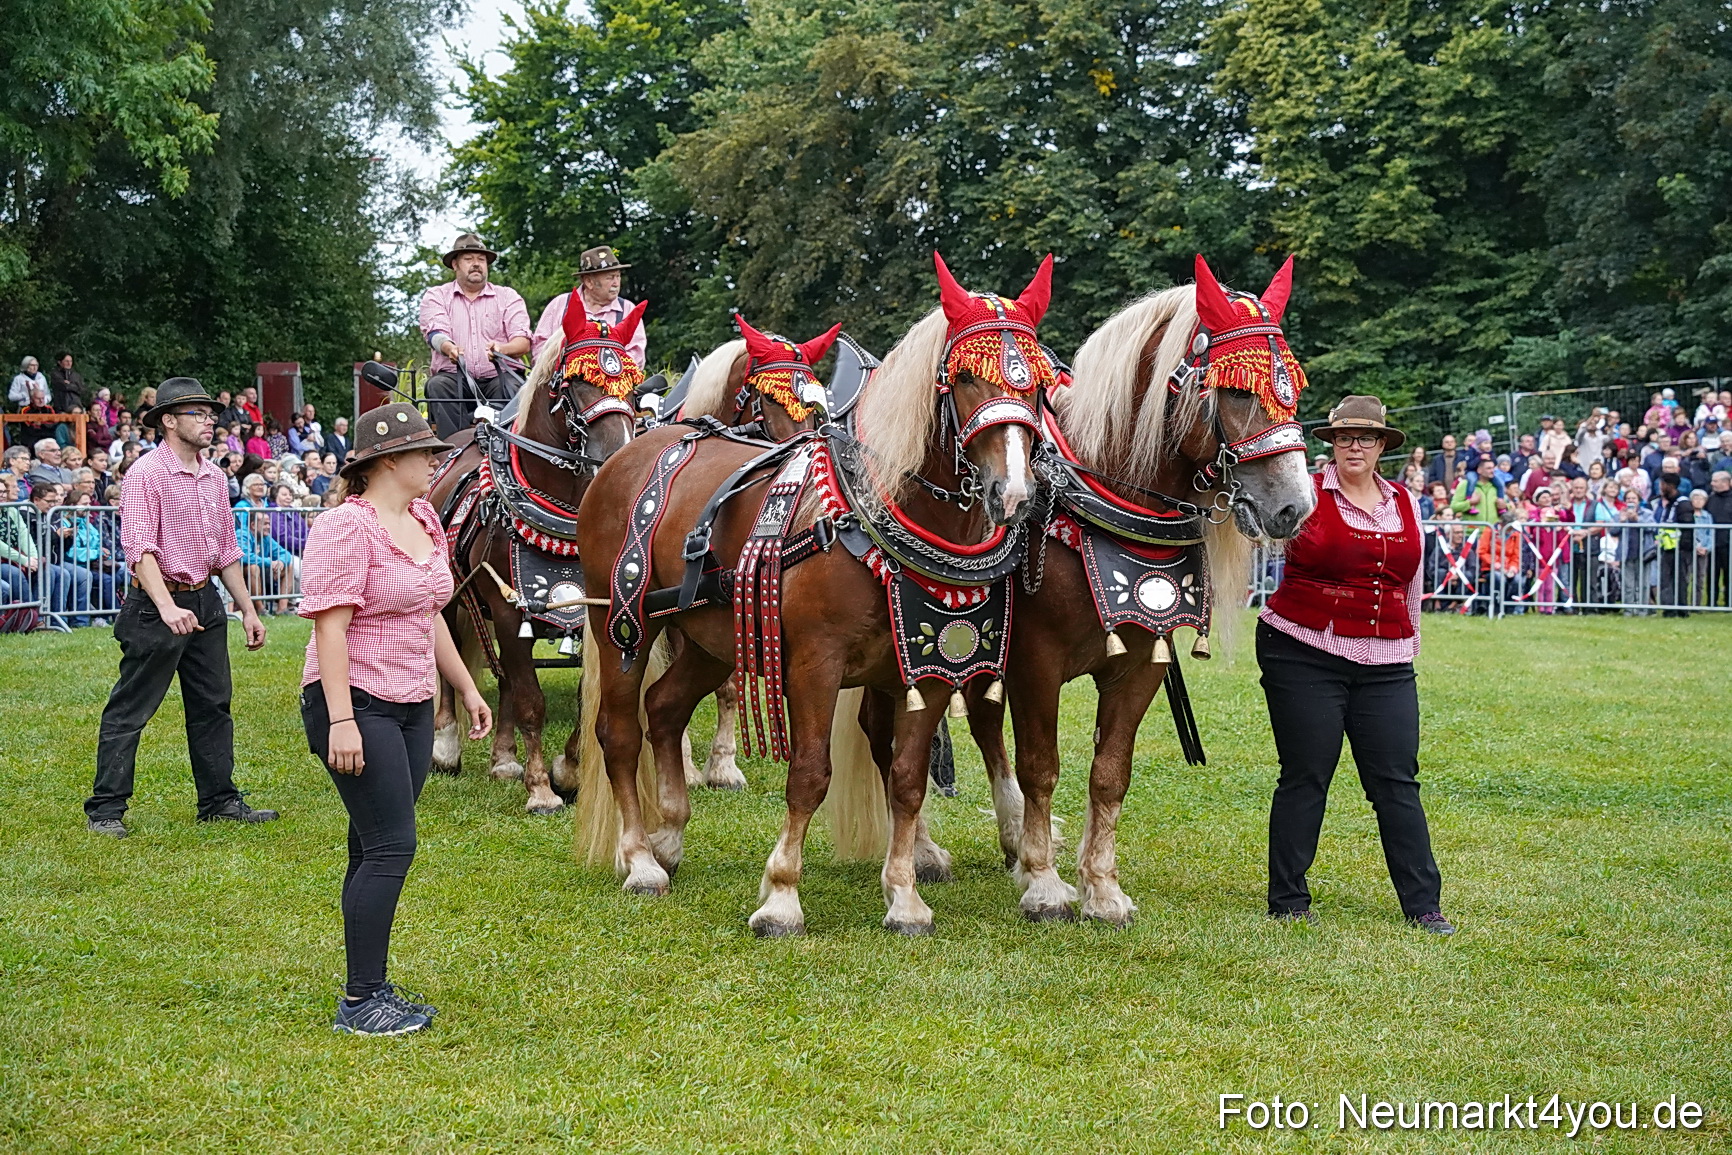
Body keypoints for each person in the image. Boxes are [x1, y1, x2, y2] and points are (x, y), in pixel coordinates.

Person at [297, 402, 492, 1036]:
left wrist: (465, 689)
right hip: (356, 700)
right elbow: (331, 628)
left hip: (411, 706)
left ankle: (369, 984)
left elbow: (430, 611)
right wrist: (341, 720)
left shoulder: (425, 518)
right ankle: (360, 1002)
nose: (435, 461)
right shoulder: (345, 527)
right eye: (424, 452)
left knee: (371, 844)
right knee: (391, 846)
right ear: (386, 461)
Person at [1257, 396, 1453, 934]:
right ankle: (1288, 899)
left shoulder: (1405, 501)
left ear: (1382, 446)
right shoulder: (1307, 494)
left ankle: (1423, 905)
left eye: (1366, 438)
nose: (1354, 446)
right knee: (1306, 775)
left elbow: (1410, 582)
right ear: (1332, 444)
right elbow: (1258, 531)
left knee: (1396, 780)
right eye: (1345, 437)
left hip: (1387, 660)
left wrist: (1409, 642)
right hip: (1302, 650)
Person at [85, 378, 277, 838]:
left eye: (211, 414)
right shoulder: (145, 474)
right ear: (169, 421)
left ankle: (219, 801)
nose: (210, 421)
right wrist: (167, 606)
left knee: (213, 704)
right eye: (198, 414)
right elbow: (140, 550)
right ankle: (106, 810)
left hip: (205, 601)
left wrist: (247, 609)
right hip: (156, 606)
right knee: (131, 707)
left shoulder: (214, 476)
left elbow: (225, 551)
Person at [418, 233, 532, 438]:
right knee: (437, 386)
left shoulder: (508, 296)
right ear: (455, 264)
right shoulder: (436, 295)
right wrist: (448, 347)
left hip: (498, 377)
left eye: (481, 260)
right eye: (469, 259)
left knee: (514, 387)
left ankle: (508, 450)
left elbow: (523, 341)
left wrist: (502, 349)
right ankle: (452, 451)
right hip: (454, 378)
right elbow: (435, 332)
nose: (476, 264)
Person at [529, 245, 649, 368]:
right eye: (610, 278)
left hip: (613, 383)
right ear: (589, 282)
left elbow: (636, 356)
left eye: (618, 276)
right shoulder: (559, 305)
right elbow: (540, 348)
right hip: (561, 382)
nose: (616, 283)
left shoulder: (628, 310)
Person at [1650, 474, 1693, 617]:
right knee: (1666, 579)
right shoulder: (1669, 503)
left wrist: (1684, 548)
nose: (1660, 488)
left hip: (1679, 549)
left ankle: (1681, 609)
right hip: (1667, 548)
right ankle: (1669, 608)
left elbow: (1687, 528)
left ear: (1670, 485)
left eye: (1662, 484)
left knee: (1679, 580)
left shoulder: (1683, 504)